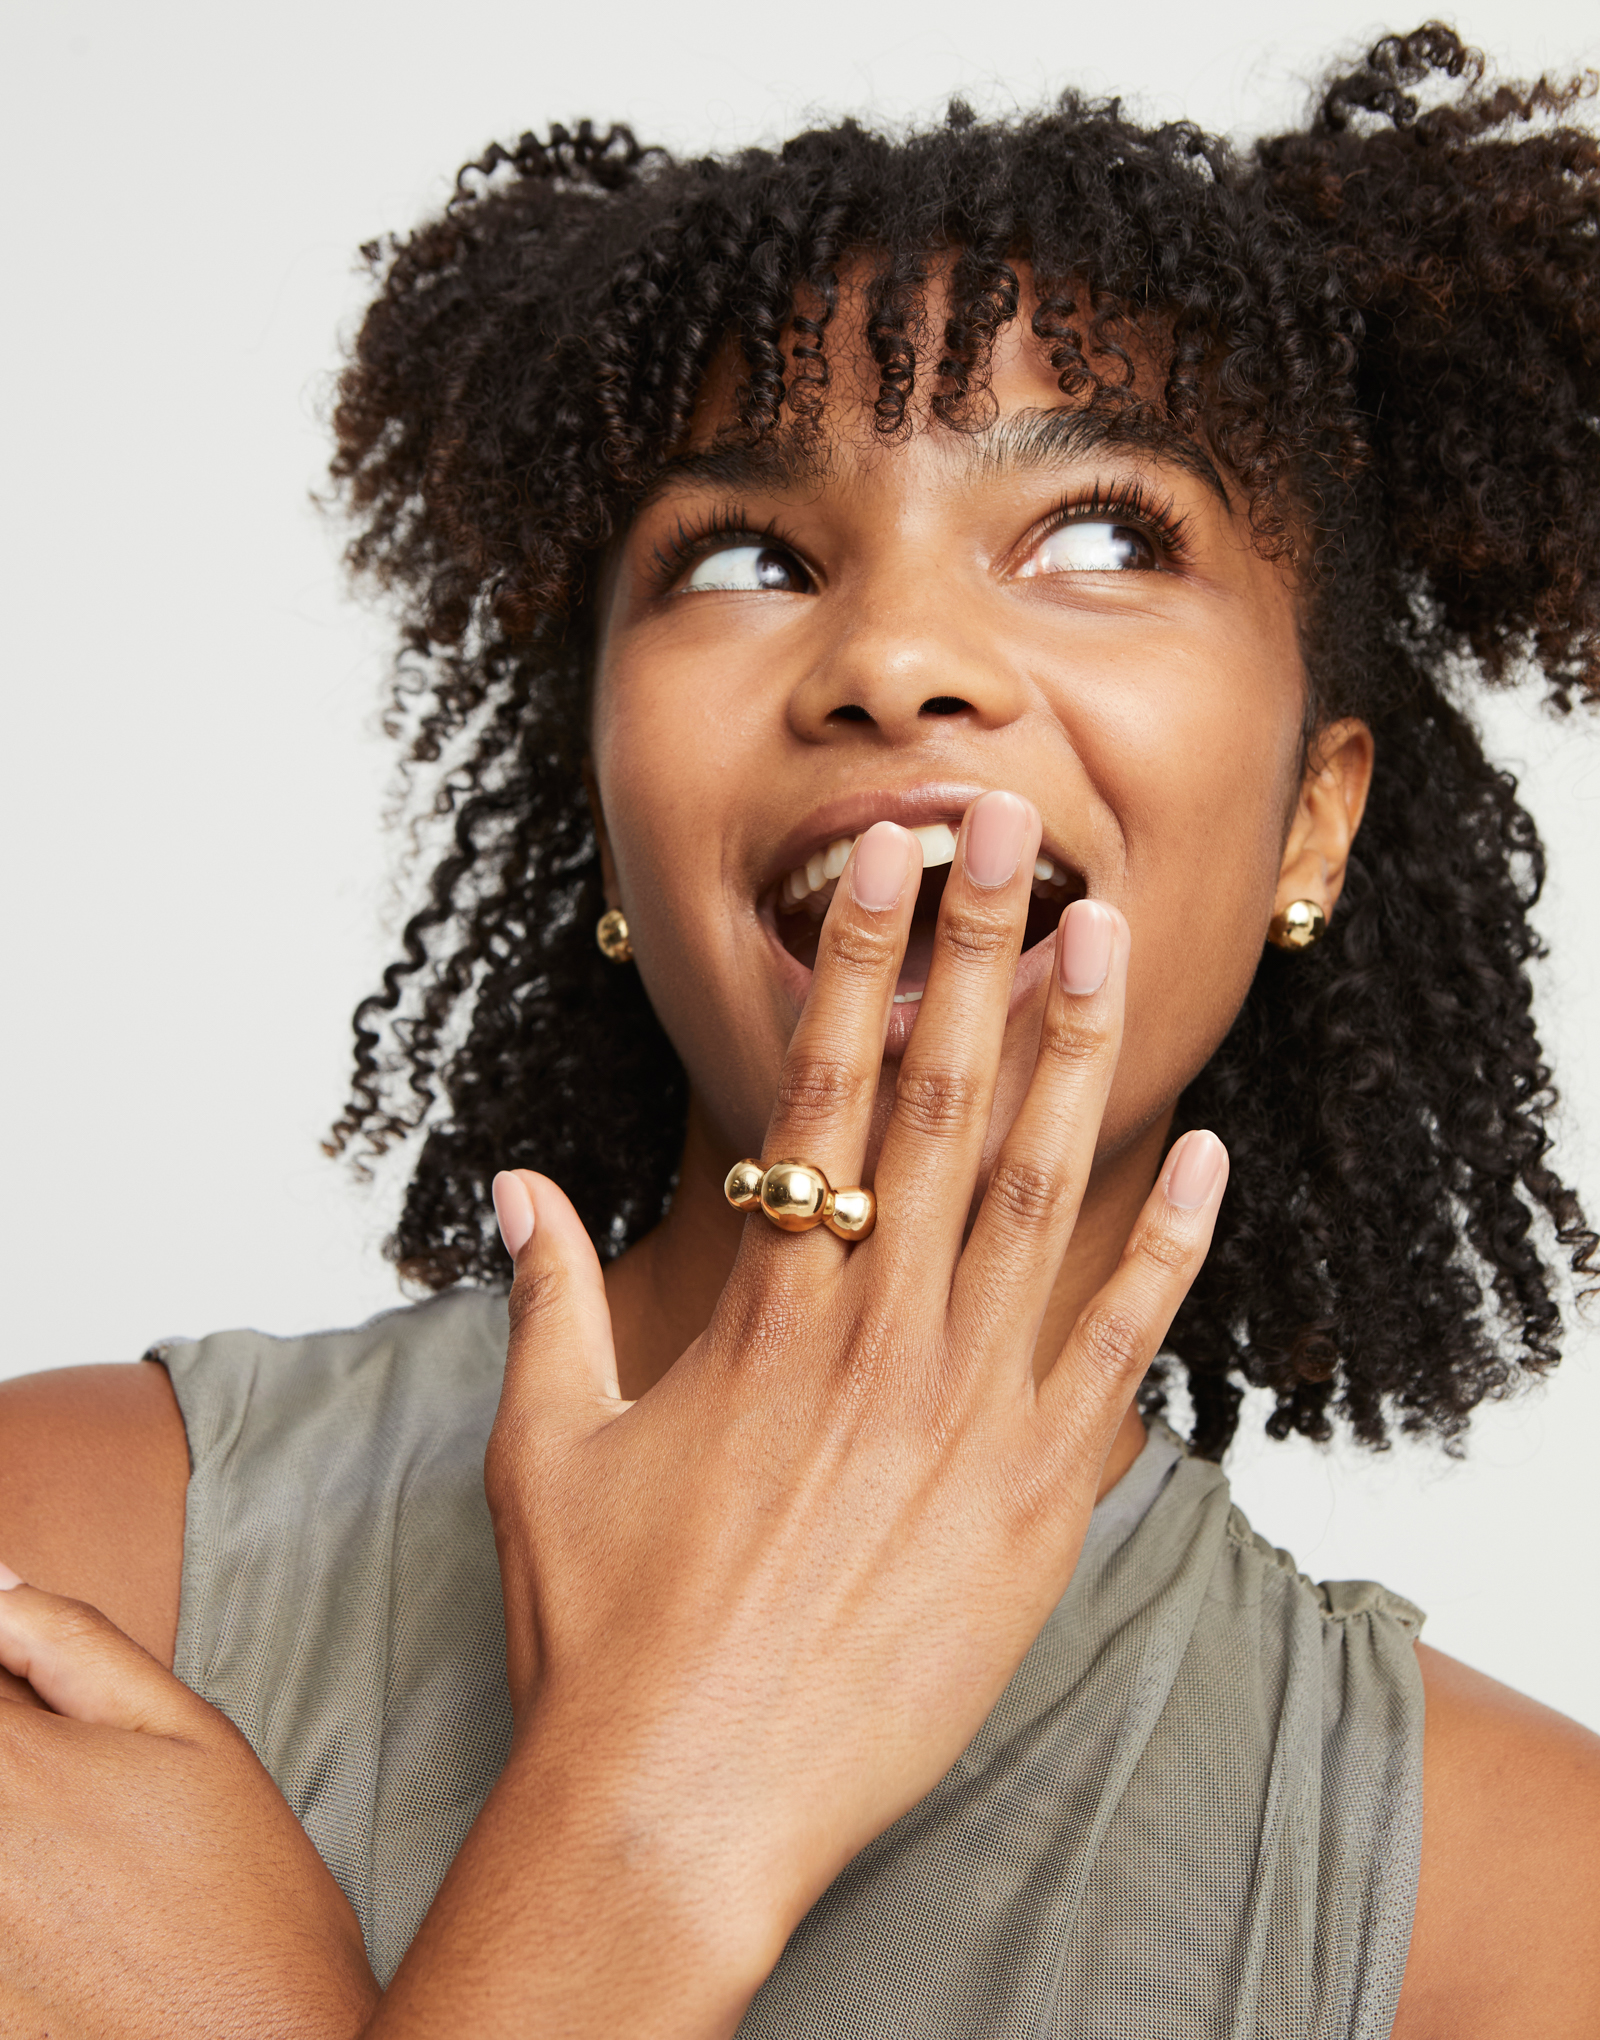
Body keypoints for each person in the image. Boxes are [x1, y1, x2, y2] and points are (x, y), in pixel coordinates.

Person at [1, 19, 1597, 2037]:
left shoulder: (1522, 1919)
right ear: (603, 803)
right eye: (747, 556)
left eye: (1098, 534)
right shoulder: (64, 1551)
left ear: (1311, 819)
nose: (897, 658)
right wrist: (650, 1814)